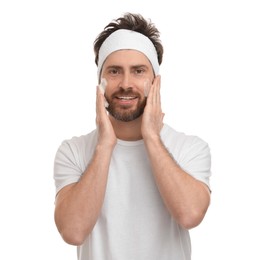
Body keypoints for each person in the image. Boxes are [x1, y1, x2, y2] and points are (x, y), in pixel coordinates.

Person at [53, 12, 212, 260]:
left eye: (138, 71)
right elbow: (73, 231)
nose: (126, 84)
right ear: (100, 81)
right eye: (115, 71)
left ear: (155, 81)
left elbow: (190, 215)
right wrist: (105, 145)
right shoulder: (74, 150)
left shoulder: (189, 148)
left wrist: (151, 137)